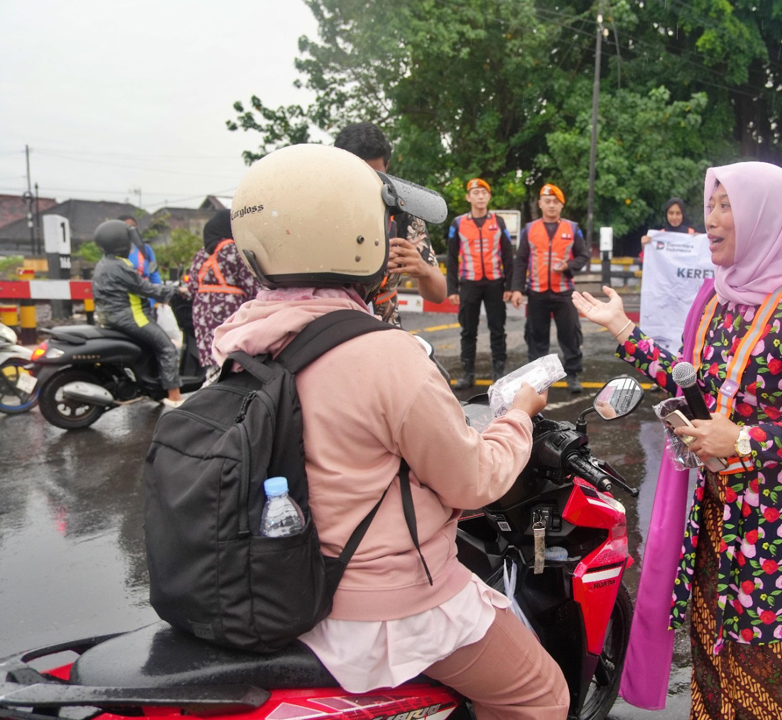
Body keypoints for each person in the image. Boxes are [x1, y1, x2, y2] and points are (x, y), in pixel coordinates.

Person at [212, 143, 568, 719]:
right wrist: (519, 416)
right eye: (383, 222)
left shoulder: (239, 340)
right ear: (357, 236)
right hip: (386, 602)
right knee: (542, 696)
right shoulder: (384, 354)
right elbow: (474, 481)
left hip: (281, 582)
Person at [573, 161, 782, 720]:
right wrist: (622, 329)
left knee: (767, 664)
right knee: (712, 650)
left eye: (727, 206)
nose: (711, 219)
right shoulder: (719, 298)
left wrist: (746, 439)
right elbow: (694, 381)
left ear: (765, 219)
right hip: (716, 513)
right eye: (710, 204)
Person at [333, 122, 447, 326]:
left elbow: (439, 294)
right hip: (331, 328)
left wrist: (424, 271)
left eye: (374, 176)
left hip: (386, 330)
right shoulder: (318, 206)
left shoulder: (403, 209)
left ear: (387, 165)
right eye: (356, 174)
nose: (364, 184)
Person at [91, 219, 188, 408]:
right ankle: (175, 396)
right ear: (120, 242)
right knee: (167, 347)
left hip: (112, 316)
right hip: (131, 316)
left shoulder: (105, 263)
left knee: (152, 347)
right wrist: (176, 290)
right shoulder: (120, 266)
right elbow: (146, 288)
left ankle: (156, 390)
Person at [510, 183, 590, 393]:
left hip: (564, 292)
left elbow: (583, 256)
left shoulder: (572, 228)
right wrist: (517, 289)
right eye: (547, 201)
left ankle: (573, 375)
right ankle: (538, 379)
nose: (551, 205)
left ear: (562, 205)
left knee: (570, 335)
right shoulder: (530, 229)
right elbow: (521, 261)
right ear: (540, 204)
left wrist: (568, 266)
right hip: (537, 292)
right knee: (536, 337)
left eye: (556, 202)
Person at [446, 178, 513, 388]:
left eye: (484, 193)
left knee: (498, 329)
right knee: (468, 330)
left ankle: (499, 373)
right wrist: (452, 288)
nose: (480, 196)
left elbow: (508, 255)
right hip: (469, 283)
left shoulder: (498, 222)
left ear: (489, 196)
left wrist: (510, 286)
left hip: (495, 283)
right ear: (468, 197)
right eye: (476, 193)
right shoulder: (458, 223)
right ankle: (468, 373)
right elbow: (451, 257)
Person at [184, 209, 259, 373]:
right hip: (227, 310)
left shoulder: (201, 253)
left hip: (201, 311)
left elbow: (191, 289)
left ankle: (211, 382)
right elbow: (252, 287)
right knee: (231, 357)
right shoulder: (234, 250)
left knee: (213, 359)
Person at [120, 214, 163, 310]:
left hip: (147, 300)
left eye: (133, 227)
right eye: (127, 227)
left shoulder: (145, 249)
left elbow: (154, 274)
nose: (131, 230)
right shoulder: (115, 251)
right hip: (126, 302)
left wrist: (160, 297)